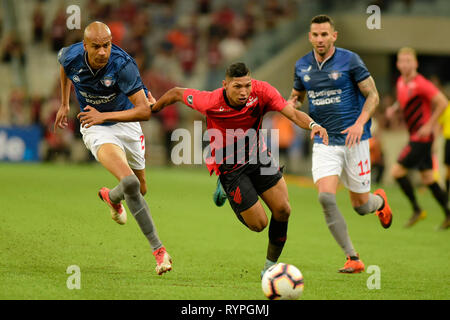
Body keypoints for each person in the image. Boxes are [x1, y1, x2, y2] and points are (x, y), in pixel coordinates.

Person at [152, 62, 328, 276]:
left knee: (283, 210)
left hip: (258, 156)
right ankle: (225, 187)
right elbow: (177, 93)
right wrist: (154, 108)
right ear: (225, 85)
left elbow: (291, 113)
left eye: (247, 85)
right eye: (237, 86)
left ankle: (269, 267)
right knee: (259, 224)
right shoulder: (210, 101)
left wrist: (313, 125)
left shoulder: (262, 92)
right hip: (230, 166)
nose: (244, 91)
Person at [54, 21, 172, 275]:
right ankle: (159, 251)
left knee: (140, 188)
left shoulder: (123, 64)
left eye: (106, 46)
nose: (102, 52)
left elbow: (144, 112)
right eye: (95, 47)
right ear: (85, 46)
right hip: (95, 126)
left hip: (125, 120)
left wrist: (105, 116)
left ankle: (111, 196)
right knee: (130, 183)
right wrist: (65, 103)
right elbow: (63, 67)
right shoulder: (71, 55)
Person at [289, 15, 392, 273]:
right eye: (316, 35)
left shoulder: (351, 60)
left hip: (355, 140)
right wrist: (293, 105)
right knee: (325, 197)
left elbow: (373, 95)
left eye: (325, 34)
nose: (320, 39)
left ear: (334, 35)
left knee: (361, 206)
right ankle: (353, 257)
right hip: (324, 142)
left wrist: (359, 123)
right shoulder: (302, 66)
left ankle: (379, 201)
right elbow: (297, 96)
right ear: (309, 37)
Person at [386, 47, 449, 230]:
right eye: (402, 61)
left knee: (396, 171)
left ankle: (416, 209)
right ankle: (448, 213)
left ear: (415, 63)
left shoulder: (421, 83)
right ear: (397, 64)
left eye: (408, 61)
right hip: (414, 136)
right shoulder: (400, 82)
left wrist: (429, 124)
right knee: (429, 178)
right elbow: (404, 100)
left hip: (421, 138)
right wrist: (395, 108)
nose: (405, 64)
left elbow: (443, 103)